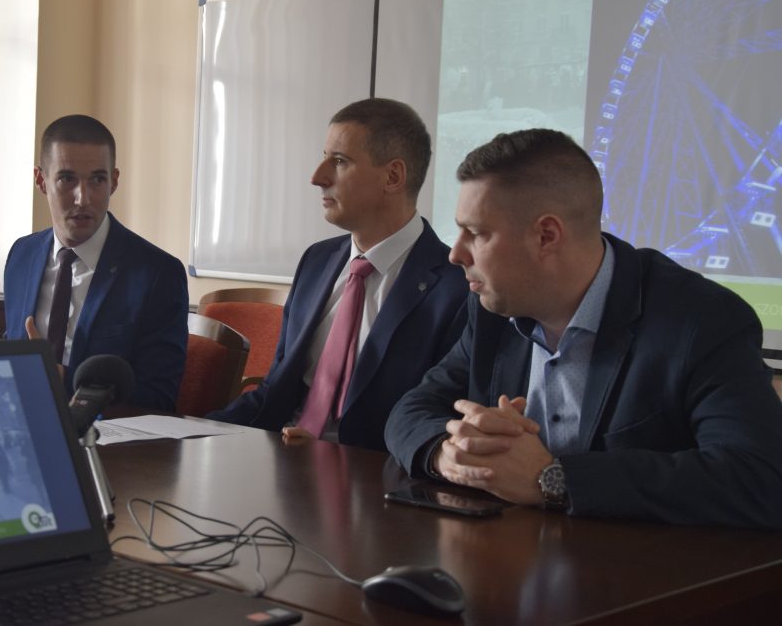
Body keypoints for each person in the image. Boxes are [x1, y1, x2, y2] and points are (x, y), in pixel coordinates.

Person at [384, 128, 782, 528]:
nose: (455, 254)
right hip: (512, 553)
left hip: (640, 562)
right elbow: (410, 411)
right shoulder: (492, 309)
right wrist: (450, 454)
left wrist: (552, 479)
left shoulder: (702, 320)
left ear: (546, 236)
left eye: (476, 233)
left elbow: (759, 478)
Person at [207, 98, 468, 451]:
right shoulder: (316, 261)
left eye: (340, 161)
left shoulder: (456, 288)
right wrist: (191, 433)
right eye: (324, 157)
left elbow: (434, 424)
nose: (318, 177)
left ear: (393, 176)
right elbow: (274, 391)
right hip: (280, 458)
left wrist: (331, 454)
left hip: (370, 473)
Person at [0, 115, 188, 411]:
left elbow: (160, 399)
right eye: (67, 179)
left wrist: (62, 380)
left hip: (105, 436)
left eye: (97, 179)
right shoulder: (23, 255)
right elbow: (14, 359)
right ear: (41, 181)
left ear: (114, 182)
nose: (83, 198)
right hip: (20, 421)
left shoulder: (157, 274)